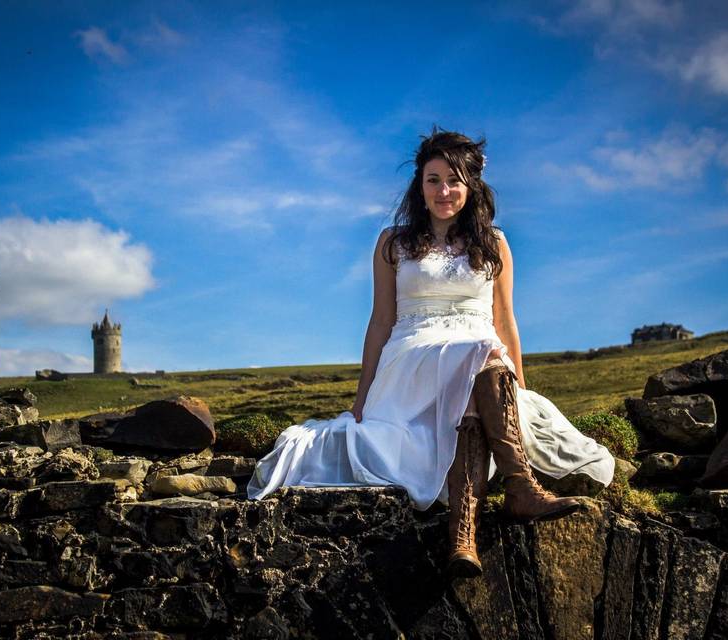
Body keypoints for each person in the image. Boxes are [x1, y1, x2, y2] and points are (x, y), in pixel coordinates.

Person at [247, 126, 615, 578]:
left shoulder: (495, 243)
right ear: (419, 186)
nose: (444, 190)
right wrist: (362, 395)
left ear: (471, 186)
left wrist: (518, 390)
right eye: (434, 179)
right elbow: (380, 321)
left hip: (482, 361)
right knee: (482, 353)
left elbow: (505, 322)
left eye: (454, 180)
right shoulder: (393, 242)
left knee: (481, 367)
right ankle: (521, 487)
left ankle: (464, 538)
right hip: (413, 356)